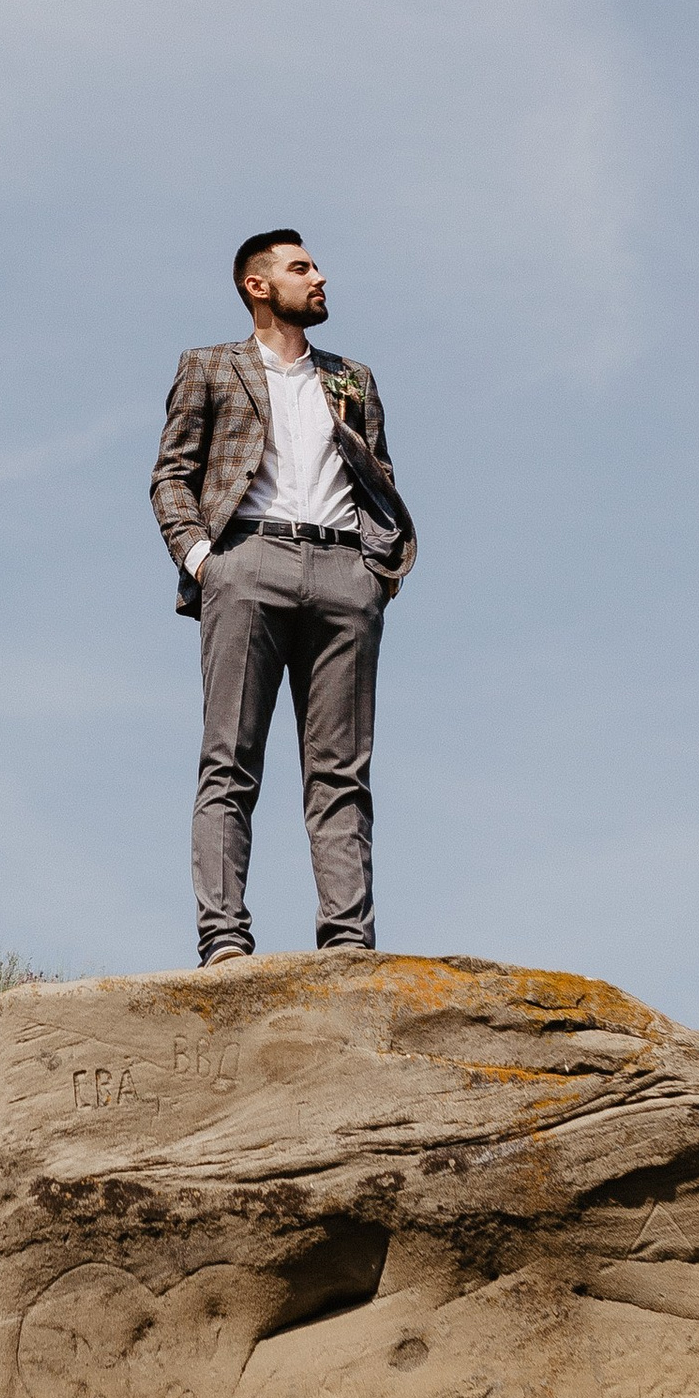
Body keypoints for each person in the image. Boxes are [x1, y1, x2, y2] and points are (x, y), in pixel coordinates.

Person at [149, 230, 416, 966]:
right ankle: (225, 942)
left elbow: (379, 478)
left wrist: (376, 575)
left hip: (344, 577)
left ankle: (347, 947)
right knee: (229, 763)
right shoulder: (209, 367)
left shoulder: (352, 378)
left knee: (342, 772)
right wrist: (207, 562)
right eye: (302, 267)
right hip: (247, 564)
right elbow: (171, 475)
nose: (320, 276)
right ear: (258, 285)